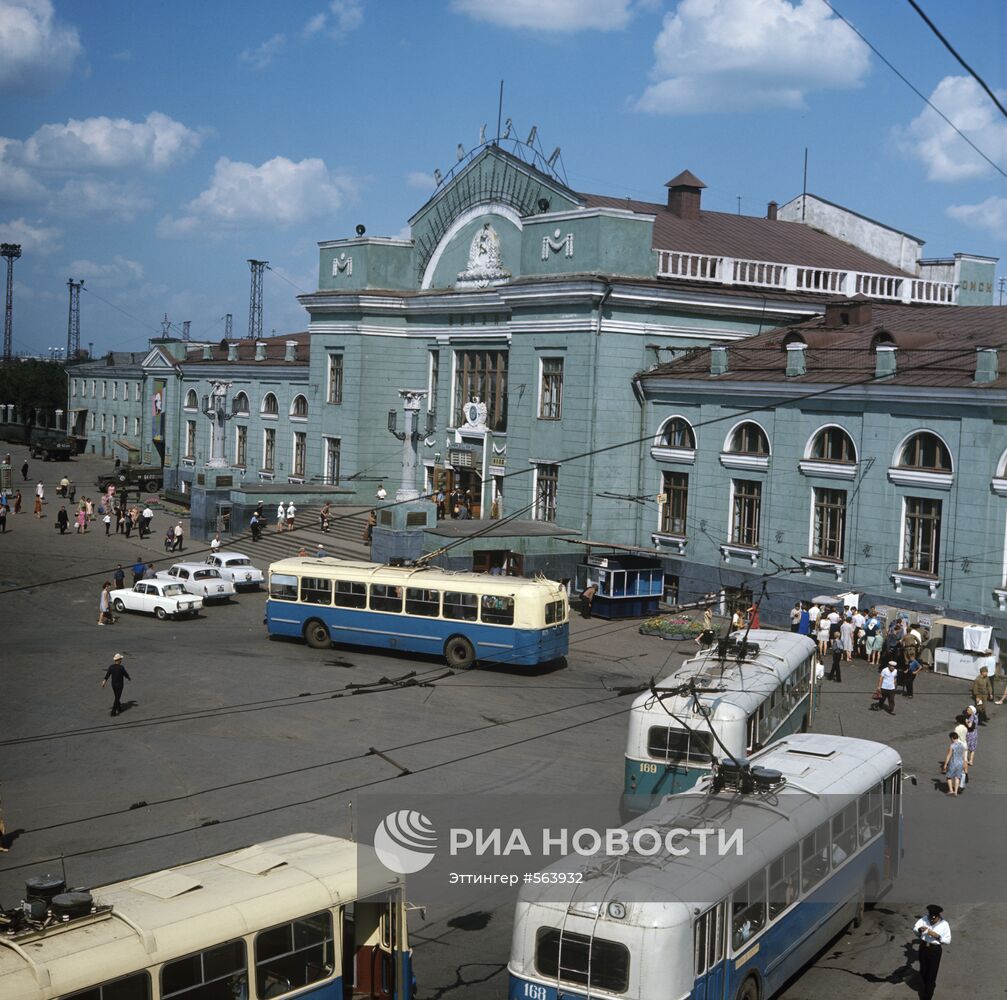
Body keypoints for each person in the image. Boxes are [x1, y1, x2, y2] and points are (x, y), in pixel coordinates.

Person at [913, 904, 950, 1000]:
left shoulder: (944, 924)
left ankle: (927, 995)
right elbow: (915, 928)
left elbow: (947, 940)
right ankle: (929, 985)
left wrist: (936, 935)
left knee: (931, 973)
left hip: (935, 950)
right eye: (930, 918)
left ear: (938, 916)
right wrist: (919, 930)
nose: (932, 920)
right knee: (923, 971)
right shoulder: (924, 919)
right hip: (924, 947)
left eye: (934, 918)